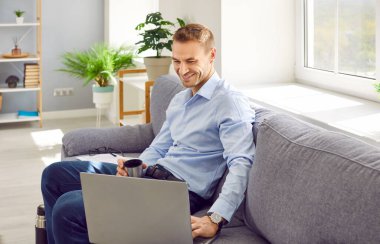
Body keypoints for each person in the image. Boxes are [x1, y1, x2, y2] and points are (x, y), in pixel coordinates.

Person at [41, 23, 255, 244]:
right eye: (176, 61)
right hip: (150, 177)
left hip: (177, 192)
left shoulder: (229, 101)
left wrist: (216, 217)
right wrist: (135, 168)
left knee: (68, 209)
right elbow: (159, 147)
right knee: (53, 175)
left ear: (211, 55)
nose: (182, 70)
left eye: (191, 61)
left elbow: (241, 162)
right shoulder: (181, 99)